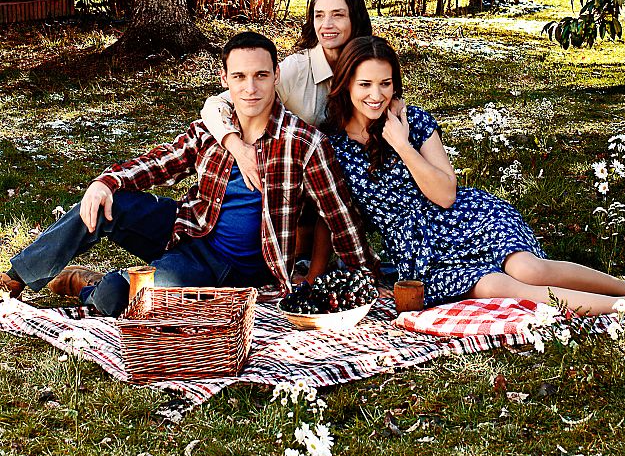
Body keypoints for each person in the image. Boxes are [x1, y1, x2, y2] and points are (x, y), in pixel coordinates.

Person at [0, 32, 378, 316]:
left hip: (223, 267)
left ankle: (89, 284)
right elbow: (161, 162)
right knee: (103, 200)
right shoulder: (213, 130)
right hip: (188, 226)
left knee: (118, 296)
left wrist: (366, 280)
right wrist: (105, 181)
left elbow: (340, 215)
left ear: (276, 75)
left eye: (261, 75)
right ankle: (16, 276)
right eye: (240, 76)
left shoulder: (304, 143)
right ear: (224, 78)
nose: (250, 88)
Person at [323, 35, 625, 318]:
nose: (376, 95)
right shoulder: (333, 146)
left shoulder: (411, 122)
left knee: (530, 270)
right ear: (346, 84)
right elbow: (332, 215)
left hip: (467, 218)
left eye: (385, 84)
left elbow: (446, 195)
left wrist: (401, 145)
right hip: (421, 255)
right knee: (500, 287)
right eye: (365, 84)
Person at [201, 0, 373, 278]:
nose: (327, 25)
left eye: (338, 15)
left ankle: (349, 261)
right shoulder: (297, 68)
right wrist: (236, 147)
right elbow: (217, 103)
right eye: (319, 16)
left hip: (343, 172)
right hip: (293, 175)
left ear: (354, 18)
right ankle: (303, 263)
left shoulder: (364, 62)